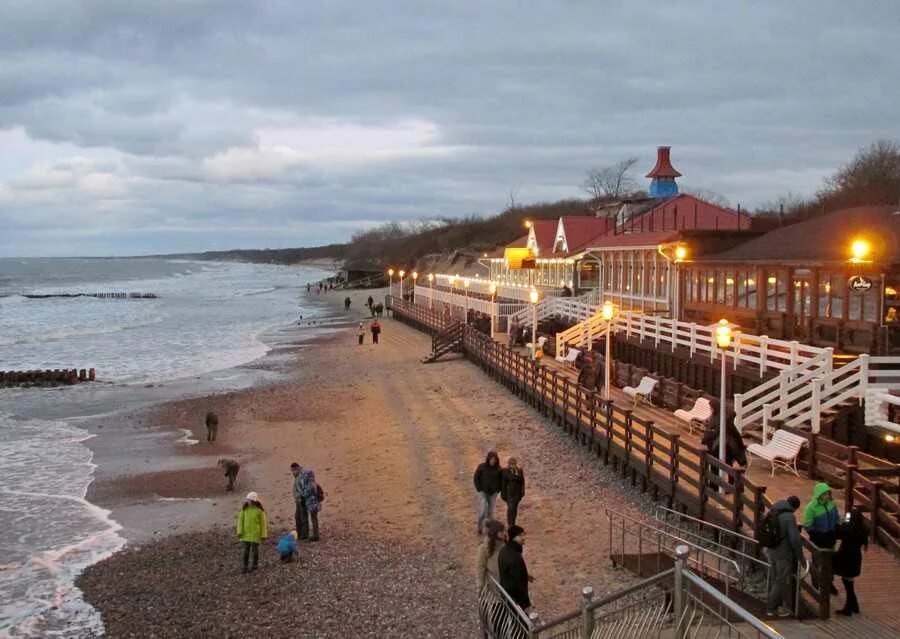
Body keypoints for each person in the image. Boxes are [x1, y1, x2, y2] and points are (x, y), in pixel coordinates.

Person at [764, 495, 804, 617]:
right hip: (783, 553)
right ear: (795, 507)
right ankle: (771, 607)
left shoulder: (772, 511)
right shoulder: (789, 517)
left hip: (771, 551)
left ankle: (776, 605)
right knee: (781, 580)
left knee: (773, 578)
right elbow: (794, 539)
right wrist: (800, 556)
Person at [803, 482, 840, 595]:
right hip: (818, 541)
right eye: (824, 494)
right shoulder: (811, 507)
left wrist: (837, 530)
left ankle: (829, 583)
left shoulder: (832, 504)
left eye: (828, 493)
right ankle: (815, 583)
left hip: (831, 538)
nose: (827, 496)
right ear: (819, 494)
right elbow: (808, 525)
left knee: (830, 563)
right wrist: (817, 535)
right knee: (817, 563)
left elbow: (837, 518)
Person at [833, 508, 869, 615]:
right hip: (855, 558)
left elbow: (839, 530)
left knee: (847, 583)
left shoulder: (848, 529)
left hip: (846, 558)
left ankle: (851, 606)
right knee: (849, 582)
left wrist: (843, 520)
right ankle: (852, 605)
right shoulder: (862, 530)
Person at [498, 525, 533, 611]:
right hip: (515, 601)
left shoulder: (504, 550)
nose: (523, 537)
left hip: (507, 597)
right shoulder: (514, 557)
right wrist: (525, 604)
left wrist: (526, 575)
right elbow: (517, 584)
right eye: (520, 535)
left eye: (523, 535)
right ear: (514, 537)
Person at [236, 491, 267, 573]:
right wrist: (239, 531)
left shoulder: (259, 511)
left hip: (255, 535)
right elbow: (240, 521)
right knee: (246, 551)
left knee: (255, 551)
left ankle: (254, 565)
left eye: (249, 500)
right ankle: (245, 566)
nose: (247, 501)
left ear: (253, 501)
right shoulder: (244, 510)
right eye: (247, 500)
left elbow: (263, 524)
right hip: (245, 535)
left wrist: (263, 535)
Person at [473, 451, 502, 535]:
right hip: (483, 492)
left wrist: (498, 490)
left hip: (493, 493)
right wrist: (479, 489)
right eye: (491, 459)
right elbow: (476, 477)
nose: (493, 461)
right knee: (483, 510)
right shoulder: (481, 467)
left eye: (495, 460)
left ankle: (489, 530)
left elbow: (502, 480)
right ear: (488, 459)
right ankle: (480, 527)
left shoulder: (499, 469)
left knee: (491, 512)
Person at [476, 520, 507, 592]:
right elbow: (480, 567)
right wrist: (480, 586)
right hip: (492, 588)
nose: (504, 533)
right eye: (501, 531)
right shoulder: (484, 549)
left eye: (504, 531)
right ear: (494, 533)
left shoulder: (506, 545)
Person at [501, 458, 525, 528]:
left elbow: (522, 482)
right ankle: (510, 524)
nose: (512, 466)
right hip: (509, 493)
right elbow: (504, 483)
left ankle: (513, 523)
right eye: (511, 464)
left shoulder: (519, 471)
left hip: (517, 493)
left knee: (514, 509)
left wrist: (522, 492)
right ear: (508, 464)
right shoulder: (505, 471)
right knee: (510, 508)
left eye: (514, 464)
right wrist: (503, 494)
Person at [299, 468, 322, 541]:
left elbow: (305, 494)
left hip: (311, 504)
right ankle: (316, 534)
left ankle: (315, 536)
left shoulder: (309, 485)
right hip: (315, 504)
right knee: (315, 519)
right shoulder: (314, 483)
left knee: (313, 520)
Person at [290, 463, 309, 540]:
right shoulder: (297, 477)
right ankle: (300, 534)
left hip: (301, 500)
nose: (292, 472)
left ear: (297, 469)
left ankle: (304, 535)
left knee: (303, 517)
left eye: (293, 470)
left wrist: (301, 497)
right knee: (298, 517)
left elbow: (303, 489)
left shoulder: (301, 477)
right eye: (292, 471)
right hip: (298, 500)